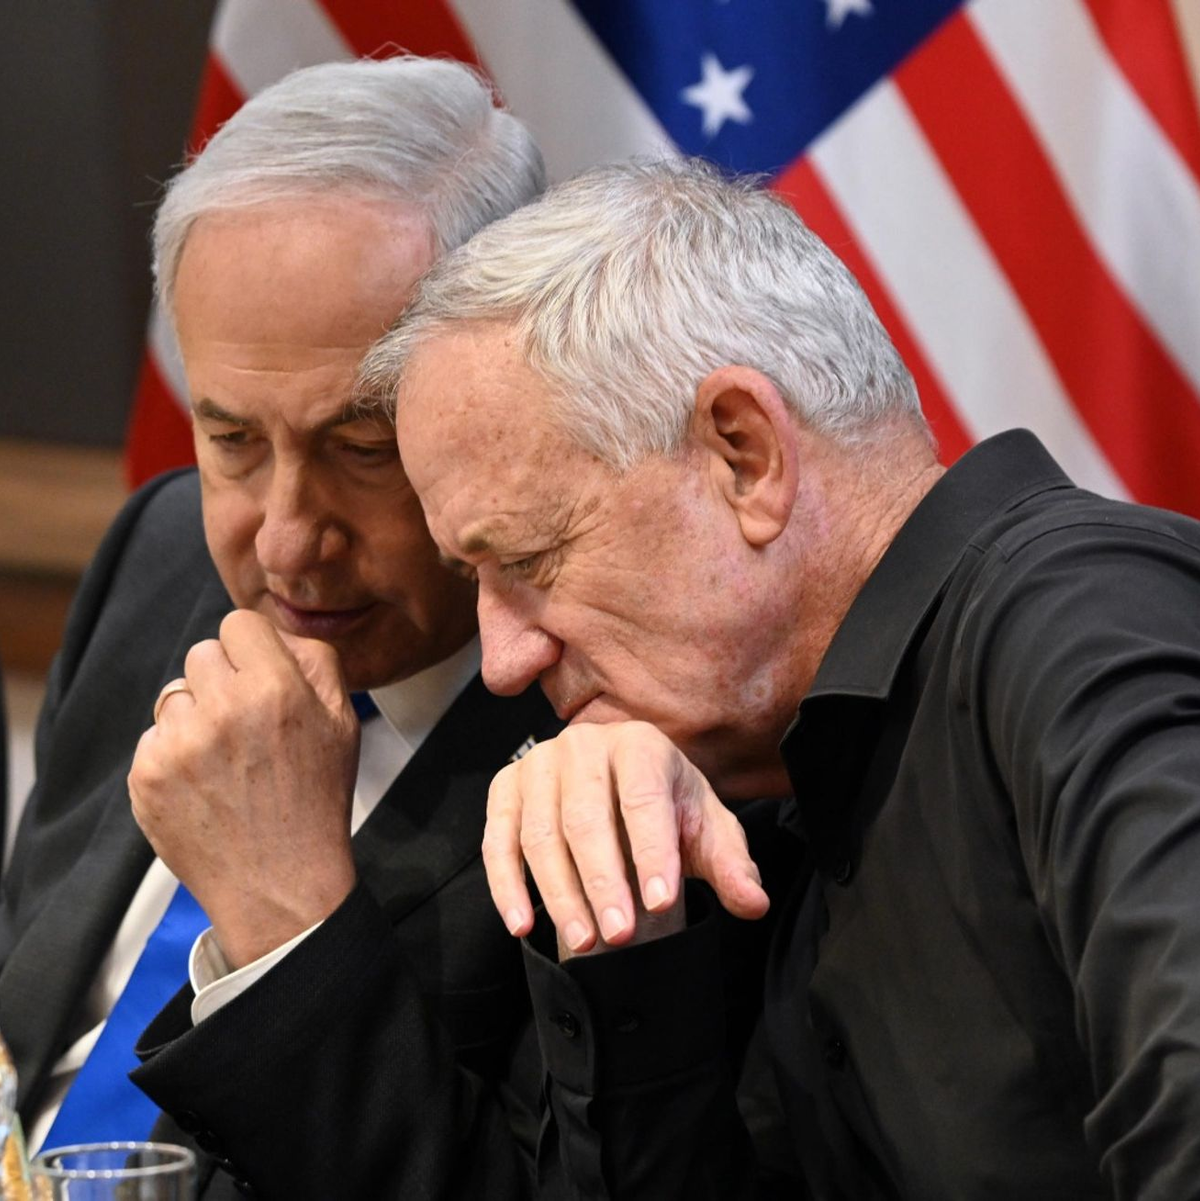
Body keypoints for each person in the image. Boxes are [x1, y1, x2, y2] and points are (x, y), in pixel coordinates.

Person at [361, 157, 1200, 1198]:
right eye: (475, 581)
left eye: (526, 560)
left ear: (745, 454)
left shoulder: (1084, 619)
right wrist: (632, 942)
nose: (504, 660)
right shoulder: (757, 788)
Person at [0, 56, 559, 1199]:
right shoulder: (158, 556)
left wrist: (286, 925)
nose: (287, 542)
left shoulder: (602, 718)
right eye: (233, 443)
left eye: (363, 450)